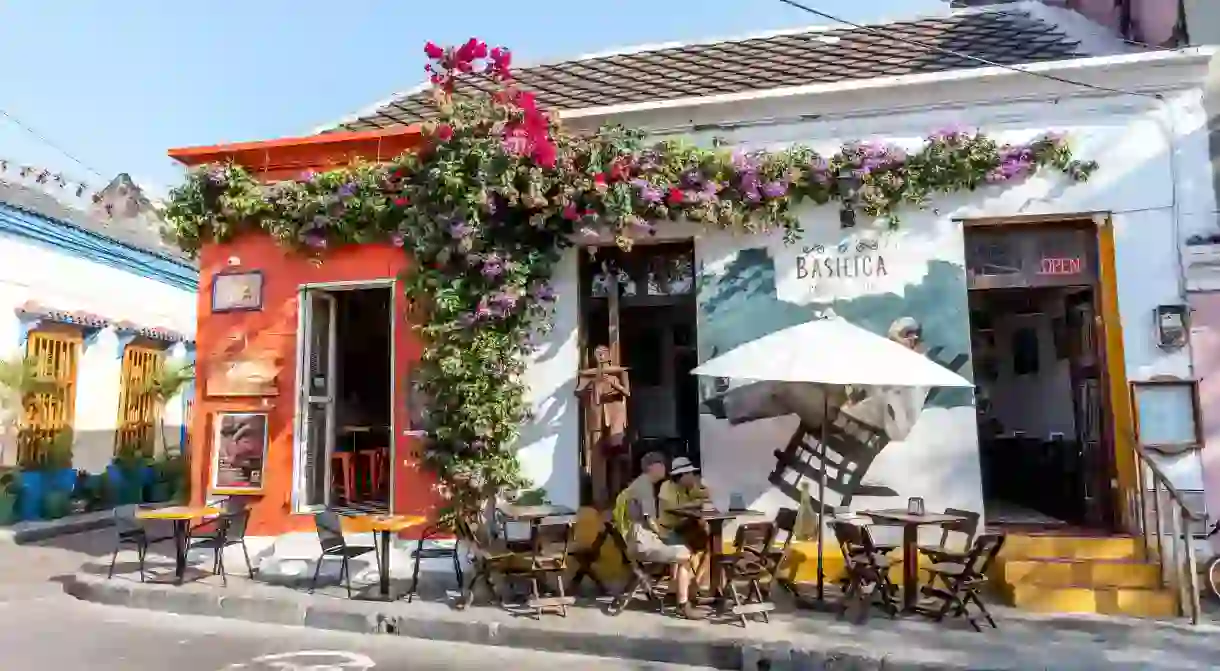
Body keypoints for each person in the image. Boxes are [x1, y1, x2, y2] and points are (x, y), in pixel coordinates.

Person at [613, 451, 706, 620]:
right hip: (642, 543)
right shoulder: (645, 487)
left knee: (683, 546)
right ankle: (683, 605)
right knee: (685, 554)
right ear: (652, 467)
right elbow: (651, 521)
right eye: (662, 464)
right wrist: (663, 536)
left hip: (637, 540)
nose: (665, 468)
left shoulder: (640, 484)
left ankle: (676, 594)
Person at [657, 456, 712, 587]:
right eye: (690, 473)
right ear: (681, 475)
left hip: (683, 527)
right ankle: (683, 583)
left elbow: (705, 496)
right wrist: (695, 503)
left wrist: (702, 486)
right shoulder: (667, 487)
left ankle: (696, 583)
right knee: (703, 536)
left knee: (712, 545)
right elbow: (673, 508)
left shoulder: (687, 487)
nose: (693, 475)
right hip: (669, 530)